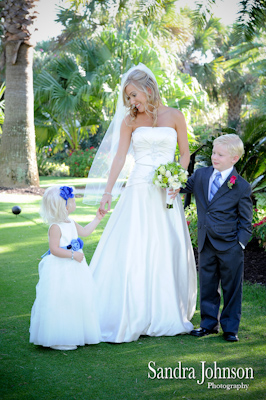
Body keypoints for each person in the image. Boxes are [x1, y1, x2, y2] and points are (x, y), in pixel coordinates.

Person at [83, 63, 197, 343]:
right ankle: (130, 311)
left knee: (164, 246)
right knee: (134, 246)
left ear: (149, 88)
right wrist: (108, 192)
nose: (132, 102)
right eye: (128, 98)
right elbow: (120, 158)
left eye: (134, 95)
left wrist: (176, 180)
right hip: (137, 189)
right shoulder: (130, 121)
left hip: (165, 192)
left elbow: (184, 153)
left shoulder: (175, 116)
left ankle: (163, 310)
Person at [176, 134, 253, 342]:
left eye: (220, 154)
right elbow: (182, 187)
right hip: (206, 241)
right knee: (208, 284)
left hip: (230, 246)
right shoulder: (201, 175)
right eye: (213, 153)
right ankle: (209, 324)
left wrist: (240, 244)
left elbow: (246, 221)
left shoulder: (241, 186)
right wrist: (168, 178)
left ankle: (230, 328)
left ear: (234, 159)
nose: (214, 157)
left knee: (231, 287)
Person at [30, 185, 105, 350]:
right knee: (61, 298)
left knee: (76, 297)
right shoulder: (55, 227)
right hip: (61, 269)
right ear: (64, 206)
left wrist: (97, 218)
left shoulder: (70, 222)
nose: (74, 201)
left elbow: (84, 232)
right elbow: (55, 250)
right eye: (71, 200)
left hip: (76, 268)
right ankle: (59, 335)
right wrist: (73, 255)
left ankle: (78, 331)